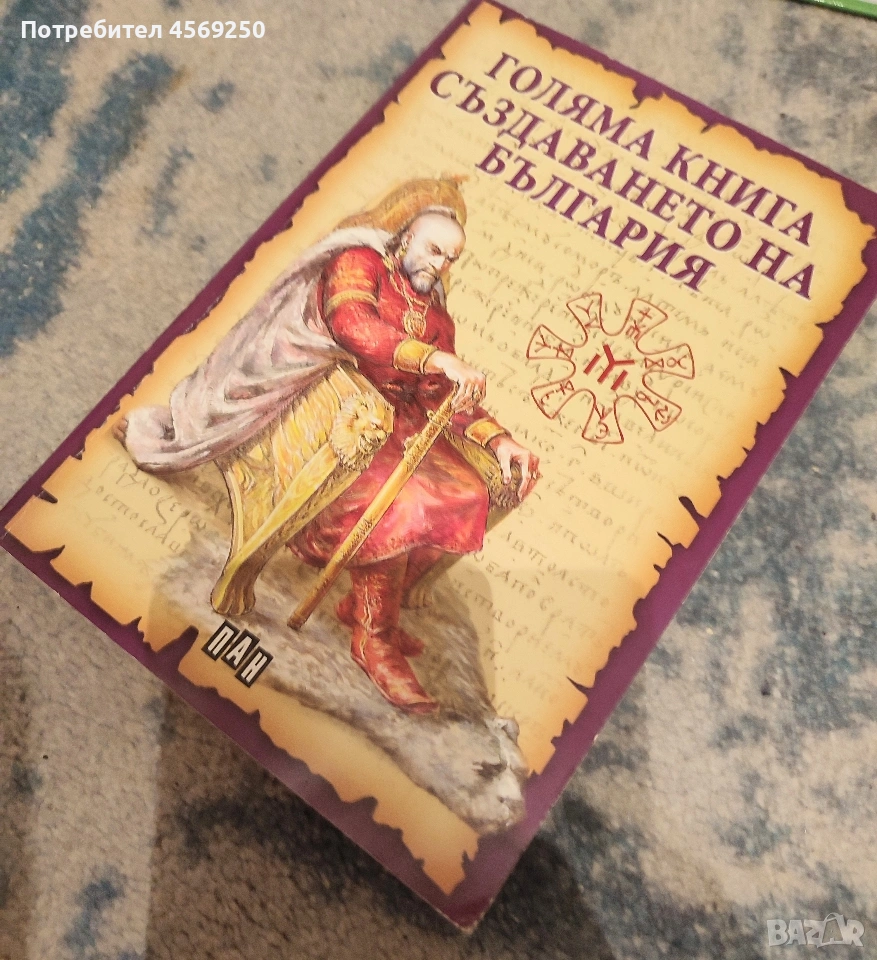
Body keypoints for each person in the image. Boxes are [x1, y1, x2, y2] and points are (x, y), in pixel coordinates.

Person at [117, 178, 539, 714]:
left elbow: (440, 394)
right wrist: (432, 358)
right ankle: (373, 638)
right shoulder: (359, 264)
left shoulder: (435, 315)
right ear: (405, 236)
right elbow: (351, 325)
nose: (440, 265)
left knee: (468, 492)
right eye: (434, 249)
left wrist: (499, 440)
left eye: (450, 258)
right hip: (335, 407)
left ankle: (367, 605)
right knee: (403, 502)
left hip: (399, 425)